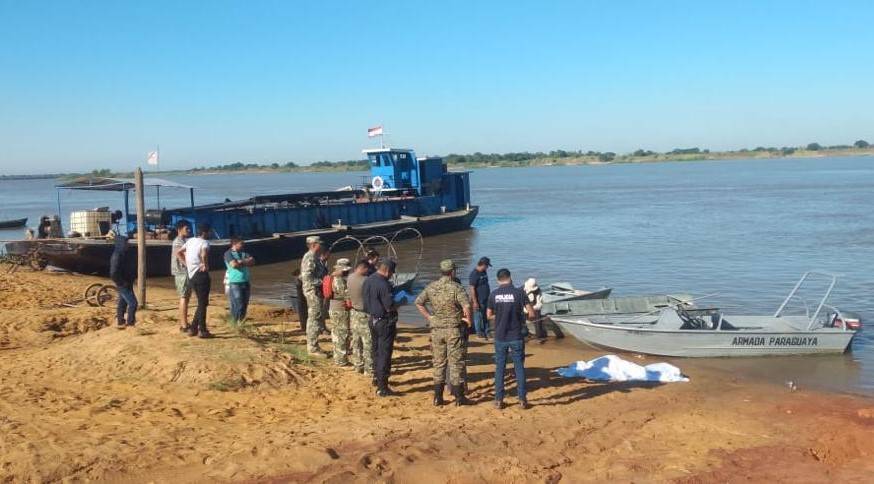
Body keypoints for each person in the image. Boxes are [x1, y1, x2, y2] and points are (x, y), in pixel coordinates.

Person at [415, 259, 472, 406]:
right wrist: (468, 320)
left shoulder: (431, 287)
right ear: (453, 272)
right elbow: (466, 306)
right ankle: (459, 398)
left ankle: (438, 397)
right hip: (453, 330)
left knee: (439, 363)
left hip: (436, 330)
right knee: (456, 363)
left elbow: (418, 302)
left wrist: (429, 317)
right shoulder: (456, 288)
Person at [487, 268, 534, 410]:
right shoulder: (519, 293)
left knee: (500, 368)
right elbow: (531, 313)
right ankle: (522, 400)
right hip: (516, 336)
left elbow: (488, 315)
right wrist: (523, 317)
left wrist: (500, 316)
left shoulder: (493, 294)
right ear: (510, 278)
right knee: (519, 367)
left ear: (498, 280)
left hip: (500, 336)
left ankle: (499, 400)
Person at [362, 259, 398, 397]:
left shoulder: (368, 280)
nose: (391, 275)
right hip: (384, 322)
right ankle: (383, 387)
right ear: (387, 270)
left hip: (372, 320)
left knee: (376, 350)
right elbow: (389, 305)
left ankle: (376, 378)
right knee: (384, 353)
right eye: (391, 273)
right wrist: (399, 303)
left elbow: (365, 301)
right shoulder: (384, 284)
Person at [178, 223, 213, 338]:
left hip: (192, 275)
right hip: (201, 274)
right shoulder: (205, 242)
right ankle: (202, 330)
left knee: (202, 302)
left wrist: (187, 264)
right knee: (203, 303)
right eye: (209, 232)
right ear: (204, 233)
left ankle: (193, 328)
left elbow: (178, 252)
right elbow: (203, 254)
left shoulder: (190, 240)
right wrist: (205, 264)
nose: (210, 234)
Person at [299, 235, 327, 356]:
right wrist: (323, 282)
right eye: (320, 244)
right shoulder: (309, 257)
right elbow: (307, 277)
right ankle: (312, 347)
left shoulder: (316, 257)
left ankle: (314, 345)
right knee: (314, 318)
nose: (322, 246)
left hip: (316, 291)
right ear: (314, 245)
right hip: (313, 291)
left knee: (316, 316)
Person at [347, 259, 373, 375]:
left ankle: (358, 365)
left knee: (356, 341)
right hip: (364, 314)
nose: (368, 272)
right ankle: (369, 369)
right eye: (367, 270)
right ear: (363, 268)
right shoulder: (366, 281)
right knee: (368, 342)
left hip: (353, 313)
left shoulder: (350, 277)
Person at [328, 258, 353, 367]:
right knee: (342, 334)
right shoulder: (339, 279)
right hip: (340, 309)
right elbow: (346, 295)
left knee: (336, 333)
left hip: (334, 308)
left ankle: (338, 358)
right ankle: (341, 361)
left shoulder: (332, 276)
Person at [224, 236, 255, 324]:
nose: (243, 245)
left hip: (246, 281)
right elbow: (234, 265)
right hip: (235, 283)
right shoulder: (228, 253)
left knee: (244, 304)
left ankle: (240, 322)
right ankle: (235, 321)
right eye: (241, 243)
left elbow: (253, 262)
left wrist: (240, 262)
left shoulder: (244, 252)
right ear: (234, 244)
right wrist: (245, 262)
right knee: (238, 304)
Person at [109, 235, 138, 328]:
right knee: (133, 303)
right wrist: (121, 282)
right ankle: (130, 323)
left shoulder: (124, 253)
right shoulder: (117, 256)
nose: (128, 244)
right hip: (123, 283)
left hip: (127, 281)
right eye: (126, 243)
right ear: (121, 243)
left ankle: (120, 321)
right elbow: (113, 273)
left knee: (122, 302)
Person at [171, 220, 192, 332]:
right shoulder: (178, 241)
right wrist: (189, 265)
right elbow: (180, 255)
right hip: (181, 273)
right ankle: (183, 325)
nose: (189, 230)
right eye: (186, 228)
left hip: (184, 272)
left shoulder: (184, 240)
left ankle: (185, 323)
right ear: (179, 230)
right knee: (184, 297)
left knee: (186, 297)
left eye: (189, 228)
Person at [468, 257, 492, 339]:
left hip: (486, 298)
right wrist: (475, 302)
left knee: (486, 315)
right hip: (479, 299)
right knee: (478, 316)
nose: (487, 268)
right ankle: (479, 332)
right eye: (487, 266)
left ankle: (487, 331)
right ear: (483, 265)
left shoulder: (484, 272)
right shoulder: (474, 274)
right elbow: (472, 288)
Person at [524, 278, 547, 344]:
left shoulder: (538, 291)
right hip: (524, 308)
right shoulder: (522, 290)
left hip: (534, 308)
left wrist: (532, 309)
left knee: (538, 319)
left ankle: (538, 336)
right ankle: (525, 333)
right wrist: (526, 310)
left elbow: (539, 304)